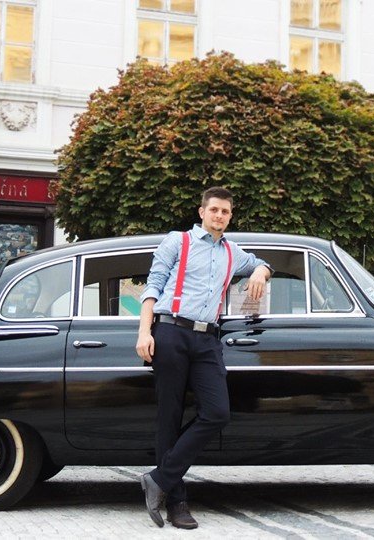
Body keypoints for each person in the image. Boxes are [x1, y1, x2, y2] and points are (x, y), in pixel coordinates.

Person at [136, 186, 271, 529]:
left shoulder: (232, 251)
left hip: (208, 338)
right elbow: (153, 286)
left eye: (225, 211)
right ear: (202, 212)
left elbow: (261, 263)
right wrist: (144, 332)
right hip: (171, 332)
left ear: (230, 216)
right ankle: (177, 502)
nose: (219, 216)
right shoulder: (178, 241)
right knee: (169, 417)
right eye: (214, 210)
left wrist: (260, 271)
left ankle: (159, 479)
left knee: (217, 412)